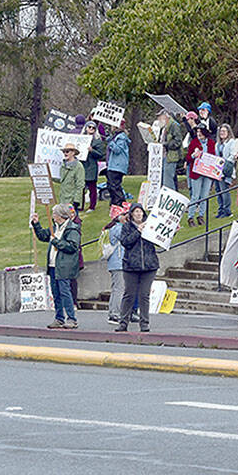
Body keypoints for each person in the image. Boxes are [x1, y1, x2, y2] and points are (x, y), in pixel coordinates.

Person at [32, 203, 82, 330]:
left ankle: (71, 319)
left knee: (65, 292)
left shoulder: (72, 229)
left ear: (61, 216)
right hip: (53, 265)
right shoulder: (55, 227)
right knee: (56, 293)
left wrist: (56, 242)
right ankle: (59, 318)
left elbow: (72, 246)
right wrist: (36, 224)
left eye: (54, 214)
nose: (53, 216)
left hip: (64, 266)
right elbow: (43, 236)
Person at [115, 204, 160, 332]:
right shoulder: (127, 227)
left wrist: (172, 232)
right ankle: (123, 322)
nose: (139, 214)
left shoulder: (150, 226)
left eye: (140, 212)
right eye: (136, 212)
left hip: (149, 265)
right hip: (131, 266)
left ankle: (144, 322)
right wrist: (138, 231)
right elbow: (125, 242)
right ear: (132, 214)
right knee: (129, 294)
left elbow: (159, 240)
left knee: (144, 295)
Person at [101, 206, 133, 324]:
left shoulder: (114, 228)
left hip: (117, 263)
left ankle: (115, 312)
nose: (127, 217)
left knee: (118, 288)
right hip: (118, 262)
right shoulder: (118, 229)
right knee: (119, 289)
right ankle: (114, 313)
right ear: (118, 217)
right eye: (125, 215)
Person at [187, 123, 216, 226]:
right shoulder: (194, 142)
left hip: (207, 172)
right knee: (195, 196)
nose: (198, 134)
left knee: (204, 196)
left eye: (200, 132)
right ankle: (190, 217)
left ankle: (201, 216)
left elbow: (214, 157)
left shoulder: (211, 143)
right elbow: (188, 158)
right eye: (197, 132)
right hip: (196, 172)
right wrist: (193, 155)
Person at [160, 109, 188, 190]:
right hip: (166, 156)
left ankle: (170, 197)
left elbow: (178, 141)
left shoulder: (174, 125)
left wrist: (165, 144)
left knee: (168, 181)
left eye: (161, 116)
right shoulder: (165, 126)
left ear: (166, 116)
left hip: (171, 156)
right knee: (168, 178)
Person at [82, 122, 106, 212]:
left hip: (91, 166)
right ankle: (80, 205)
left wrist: (92, 151)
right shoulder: (80, 139)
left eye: (93, 127)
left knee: (92, 187)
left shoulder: (98, 141)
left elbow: (100, 155)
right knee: (80, 187)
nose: (91, 129)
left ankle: (92, 206)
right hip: (82, 165)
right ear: (86, 128)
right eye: (89, 127)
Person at [213, 123, 236, 219]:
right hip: (217, 170)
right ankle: (221, 209)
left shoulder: (231, 142)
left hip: (226, 169)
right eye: (221, 131)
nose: (222, 133)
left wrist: (224, 164)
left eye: (224, 131)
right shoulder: (218, 144)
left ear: (228, 132)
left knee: (224, 190)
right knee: (218, 190)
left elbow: (232, 156)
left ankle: (227, 211)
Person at [106, 123, 131, 206]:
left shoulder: (121, 138)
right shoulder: (117, 136)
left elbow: (117, 150)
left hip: (117, 165)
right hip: (114, 165)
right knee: (111, 185)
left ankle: (120, 202)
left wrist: (110, 142)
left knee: (115, 185)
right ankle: (115, 202)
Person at [58, 142, 86, 213]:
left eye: (67, 151)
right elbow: (61, 180)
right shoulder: (63, 165)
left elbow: (80, 185)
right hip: (63, 199)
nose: (65, 153)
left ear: (73, 153)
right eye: (64, 152)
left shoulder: (79, 166)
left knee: (73, 222)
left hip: (72, 201)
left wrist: (76, 201)